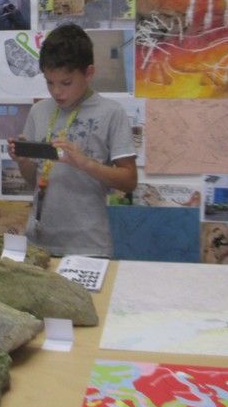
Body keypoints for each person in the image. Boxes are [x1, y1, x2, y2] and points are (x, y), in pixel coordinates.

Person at [9, 23, 138, 257]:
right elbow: (32, 180)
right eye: (49, 82)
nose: (57, 91)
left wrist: (85, 163)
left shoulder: (111, 112)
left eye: (66, 83)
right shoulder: (39, 111)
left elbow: (129, 181)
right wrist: (23, 160)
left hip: (89, 245)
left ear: (88, 73)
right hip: (39, 243)